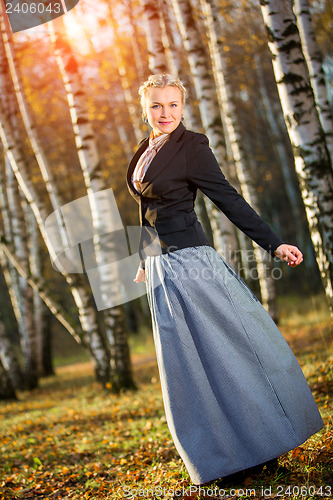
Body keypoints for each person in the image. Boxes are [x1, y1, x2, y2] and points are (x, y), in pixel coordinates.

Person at [126, 74, 323, 486]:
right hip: (162, 269)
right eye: (157, 106)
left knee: (228, 355)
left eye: (173, 105)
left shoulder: (192, 146)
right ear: (145, 108)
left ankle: (264, 443)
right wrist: (145, 259)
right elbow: (146, 210)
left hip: (192, 264)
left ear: (184, 107)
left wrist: (275, 244)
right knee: (187, 370)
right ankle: (222, 457)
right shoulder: (145, 149)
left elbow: (228, 198)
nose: (166, 113)